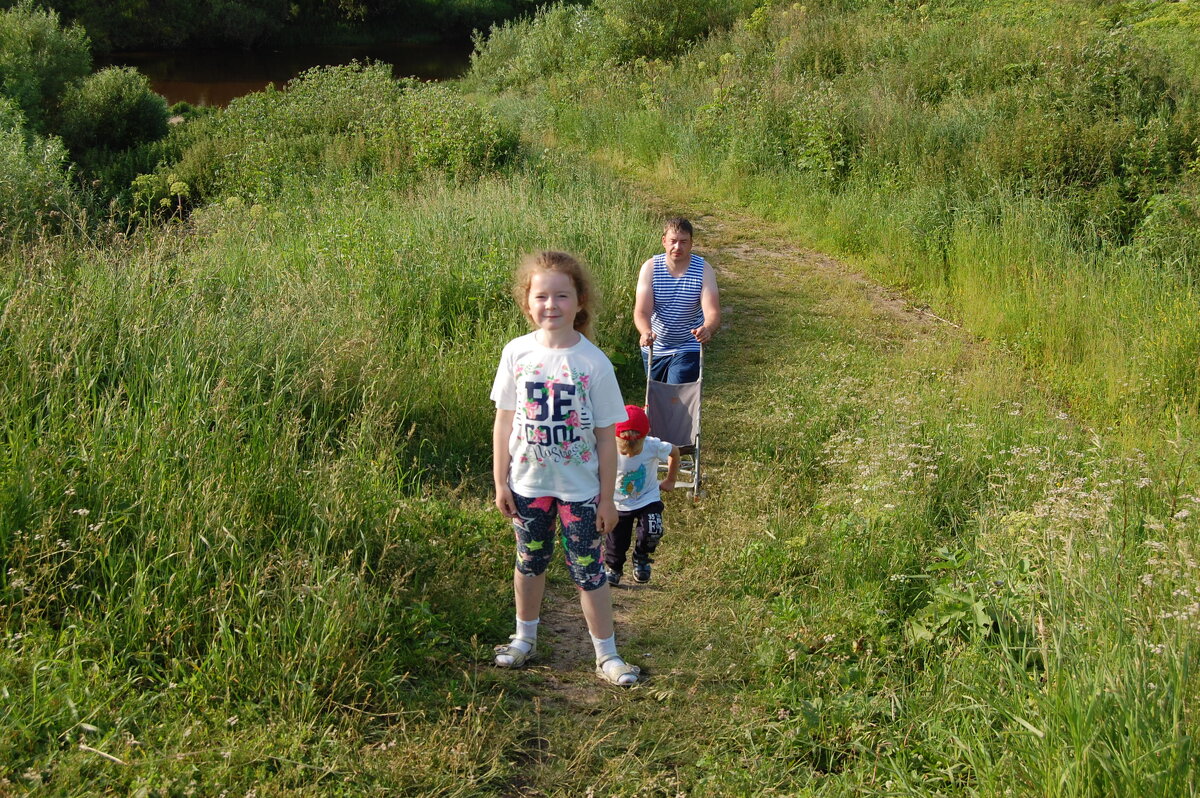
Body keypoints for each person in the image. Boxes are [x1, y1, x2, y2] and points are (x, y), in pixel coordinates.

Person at [490, 251, 640, 686]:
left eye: (561, 295)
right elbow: (503, 422)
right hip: (527, 486)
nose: (551, 305)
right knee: (529, 563)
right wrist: (500, 481)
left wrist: (609, 498)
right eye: (541, 296)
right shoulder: (516, 352)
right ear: (527, 302)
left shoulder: (594, 363)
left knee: (588, 572)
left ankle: (607, 655)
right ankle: (524, 639)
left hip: (581, 493)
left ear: (579, 301)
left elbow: (606, 439)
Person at [634, 217, 720, 384]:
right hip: (655, 346)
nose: (677, 247)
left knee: (676, 394)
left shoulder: (703, 269)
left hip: (688, 344)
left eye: (683, 242)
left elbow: (713, 312)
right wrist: (645, 331)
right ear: (664, 241)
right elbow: (642, 311)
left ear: (691, 244)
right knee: (656, 397)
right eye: (673, 241)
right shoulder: (650, 268)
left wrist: (707, 328)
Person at [604, 405, 680, 586]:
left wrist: (670, 480)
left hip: (648, 498)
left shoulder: (653, 445)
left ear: (647, 435)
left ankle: (641, 556)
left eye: (635, 452)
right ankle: (614, 568)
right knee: (616, 542)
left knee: (653, 529)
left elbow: (675, 452)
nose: (629, 454)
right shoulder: (608, 446)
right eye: (624, 452)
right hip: (618, 503)